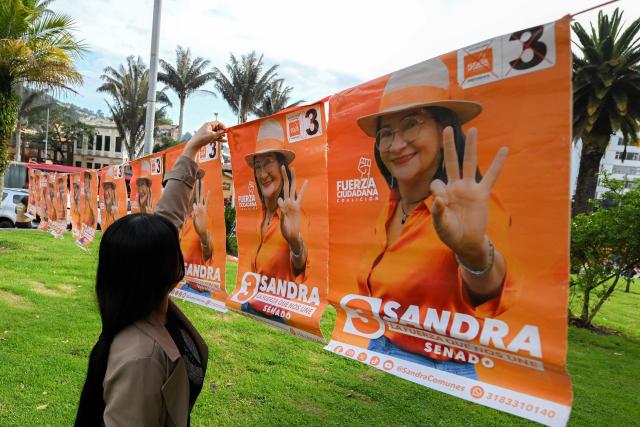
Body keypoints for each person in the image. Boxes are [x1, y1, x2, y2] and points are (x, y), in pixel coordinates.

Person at [354, 58, 513, 380]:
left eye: (412, 123)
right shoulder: (383, 209)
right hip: (377, 349)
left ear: (445, 130)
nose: (396, 145)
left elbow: (492, 290)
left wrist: (472, 251)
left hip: (440, 373)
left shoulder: (474, 205)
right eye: (386, 132)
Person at [75, 121, 226, 426]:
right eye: (173, 249)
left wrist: (191, 149)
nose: (178, 248)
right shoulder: (140, 358)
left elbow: (168, 217)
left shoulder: (144, 299)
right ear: (161, 269)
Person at [239, 119, 310, 319]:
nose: (262, 174)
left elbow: (302, 267)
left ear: (282, 167)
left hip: (279, 315)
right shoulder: (259, 214)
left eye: (268, 162)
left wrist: (295, 242)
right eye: (257, 166)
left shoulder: (296, 215)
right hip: (249, 305)